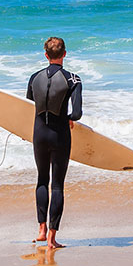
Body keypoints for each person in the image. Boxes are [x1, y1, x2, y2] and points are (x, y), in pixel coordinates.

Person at [27, 36, 82, 247]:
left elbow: (28, 105)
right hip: (60, 136)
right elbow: (76, 113)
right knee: (57, 186)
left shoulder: (34, 77)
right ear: (65, 54)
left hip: (39, 134)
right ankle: (52, 238)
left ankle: (40, 230)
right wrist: (70, 119)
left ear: (46, 55)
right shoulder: (73, 79)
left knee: (42, 180)